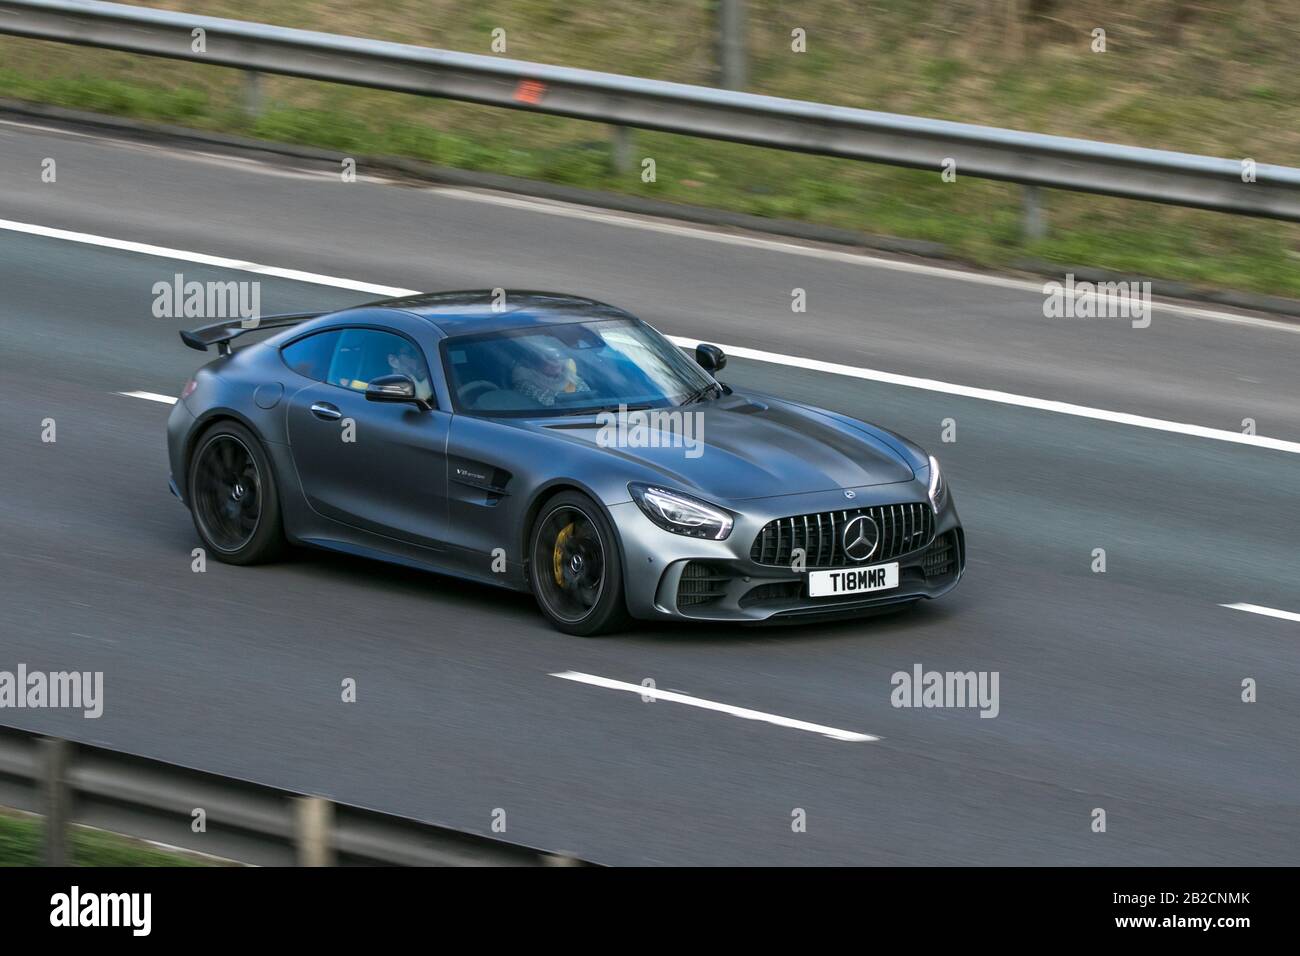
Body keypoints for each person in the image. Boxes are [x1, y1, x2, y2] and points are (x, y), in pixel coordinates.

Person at [512, 344, 589, 406]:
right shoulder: (525, 382)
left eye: (558, 356)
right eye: (549, 357)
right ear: (535, 363)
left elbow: (590, 399)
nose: (555, 361)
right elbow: (551, 406)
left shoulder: (572, 377)